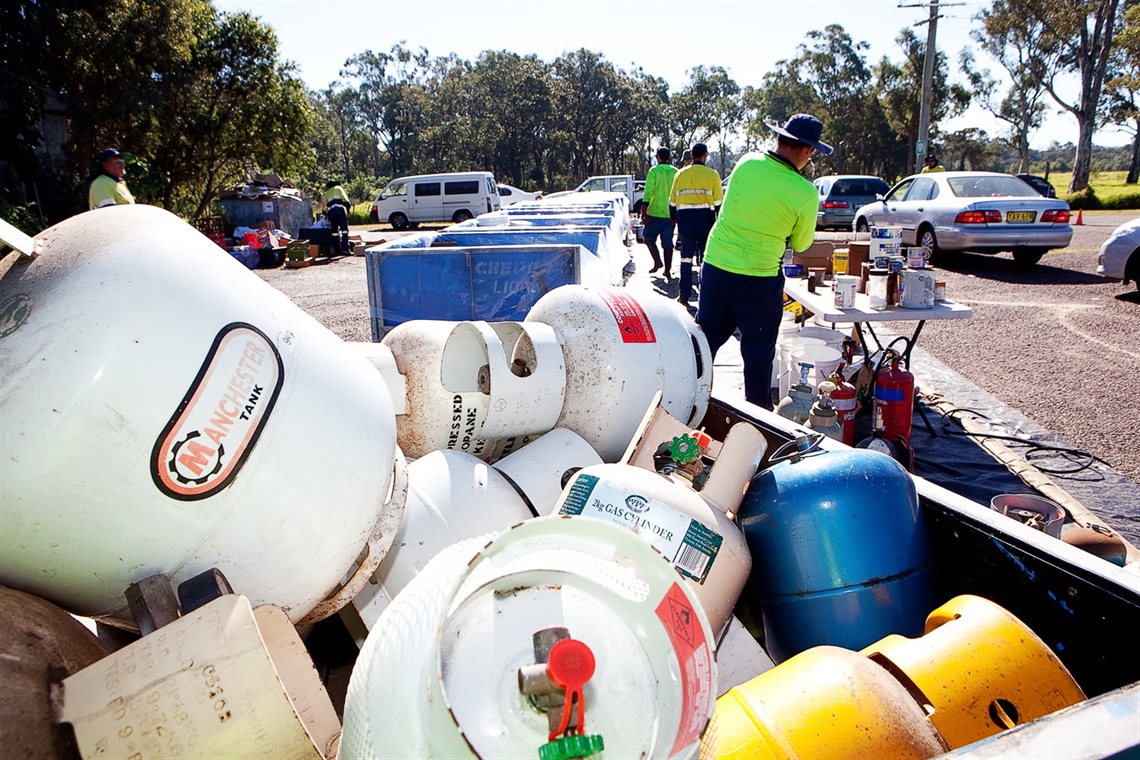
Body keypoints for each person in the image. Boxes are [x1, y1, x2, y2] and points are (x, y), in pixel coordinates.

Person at [696, 113, 832, 410]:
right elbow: (801, 244)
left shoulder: (747, 163)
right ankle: (757, 421)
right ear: (808, 151)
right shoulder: (806, 193)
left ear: (779, 139)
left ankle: (686, 402)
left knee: (703, 345)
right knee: (757, 356)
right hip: (759, 281)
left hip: (717, 268)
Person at [669, 142, 722, 305]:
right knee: (707, 259)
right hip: (706, 220)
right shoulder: (712, 174)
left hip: (685, 221)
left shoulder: (680, 174)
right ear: (704, 156)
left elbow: (672, 202)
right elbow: (719, 202)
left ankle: (684, 295)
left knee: (686, 258)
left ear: (691, 156)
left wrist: (673, 219)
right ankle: (709, 296)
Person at [641, 147, 678, 278]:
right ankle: (667, 270)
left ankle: (657, 262)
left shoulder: (654, 171)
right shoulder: (676, 172)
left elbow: (648, 191)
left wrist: (644, 209)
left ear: (658, 157)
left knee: (648, 238)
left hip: (654, 213)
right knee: (667, 243)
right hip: (670, 214)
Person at [322, 179, 351, 255]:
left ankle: (337, 250)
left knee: (334, 232)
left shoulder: (327, 193)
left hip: (331, 213)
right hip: (339, 211)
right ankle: (345, 249)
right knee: (344, 230)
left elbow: (323, 206)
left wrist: (325, 214)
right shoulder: (339, 188)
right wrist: (348, 210)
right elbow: (345, 199)